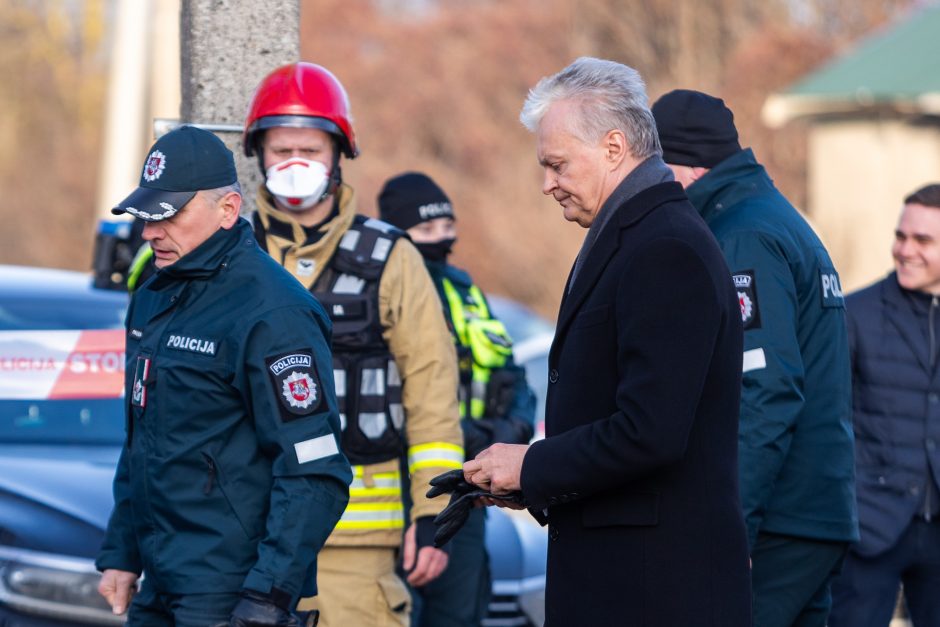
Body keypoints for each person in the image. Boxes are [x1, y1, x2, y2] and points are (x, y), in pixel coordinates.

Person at [462, 57, 751, 626]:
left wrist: (534, 466)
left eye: (557, 164)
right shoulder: (636, 237)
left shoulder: (666, 249)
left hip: (655, 591)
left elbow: (651, 431)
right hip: (629, 579)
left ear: (614, 148)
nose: (546, 184)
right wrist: (530, 482)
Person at [95, 125, 352, 626]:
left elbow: (316, 470)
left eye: (169, 216)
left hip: (231, 590)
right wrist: (122, 550)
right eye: (148, 216)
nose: (150, 232)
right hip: (159, 582)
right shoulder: (153, 292)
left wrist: (268, 596)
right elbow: (142, 440)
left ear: (228, 210)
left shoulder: (274, 312)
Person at [242, 63, 464, 627]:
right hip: (245, 536)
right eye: (281, 149)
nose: (295, 164)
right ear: (258, 155)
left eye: (310, 150)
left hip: (356, 544)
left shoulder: (390, 256)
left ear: (338, 155)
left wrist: (433, 516)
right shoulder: (230, 255)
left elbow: (432, 389)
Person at [652, 89, 859, 627]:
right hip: (809, 510)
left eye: (655, 168)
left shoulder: (741, 235)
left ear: (686, 169)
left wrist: (731, 524)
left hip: (779, 519)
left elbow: (764, 389)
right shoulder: (774, 218)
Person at [377, 171, 536, 627]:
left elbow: (513, 372)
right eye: (426, 231)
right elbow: (396, 398)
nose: (442, 240)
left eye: (447, 228)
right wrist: (475, 438)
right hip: (410, 487)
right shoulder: (384, 293)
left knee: (460, 611)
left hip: (470, 488)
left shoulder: (465, 291)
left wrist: (513, 431)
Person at [828, 184, 940, 627]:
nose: (904, 250)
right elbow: (828, 421)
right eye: (901, 236)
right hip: (869, 529)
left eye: (922, 240)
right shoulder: (854, 313)